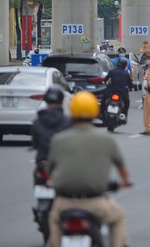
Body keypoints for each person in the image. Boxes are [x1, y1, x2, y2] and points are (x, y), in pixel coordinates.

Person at [46, 91, 133, 247]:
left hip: (64, 203)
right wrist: (125, 181)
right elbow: (122, 169)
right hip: (96, 203)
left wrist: (50, 181)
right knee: (119, 216)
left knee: (53, 228)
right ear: (95, 112)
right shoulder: (106, 139)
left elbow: (49, 171)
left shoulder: (59, 140)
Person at [31, 86, 71, 166]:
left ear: (46, 101)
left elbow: (35, 144)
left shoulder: (37, 122)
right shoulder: (68, 122)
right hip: (62, 163)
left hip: (43, 162)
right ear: (61, 101)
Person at [103, 58, 133, 123]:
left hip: (111, 91)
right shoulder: (126, 73)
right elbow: (130, 83)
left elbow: (105, 80)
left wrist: (106, 83)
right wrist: (131, 88)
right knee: (127, 102)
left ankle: (102, 113)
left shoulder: (112, 71)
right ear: (125, 66)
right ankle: (124, 115)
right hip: (122, 92)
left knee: (103, 99)